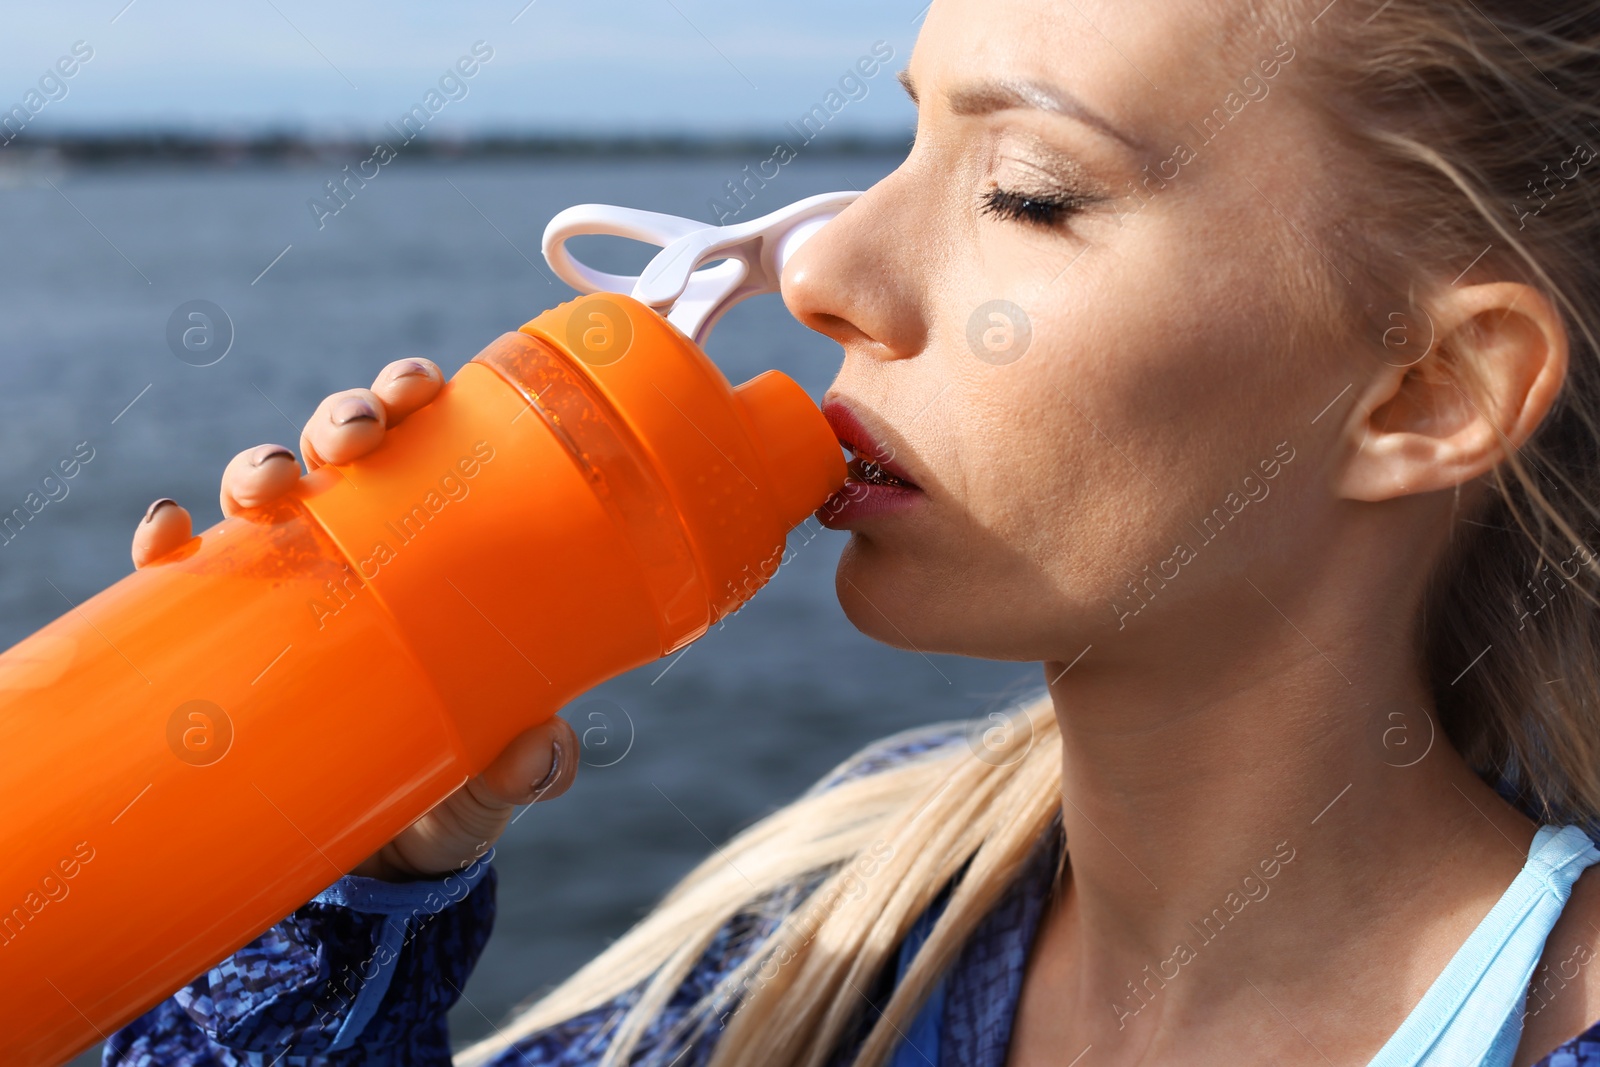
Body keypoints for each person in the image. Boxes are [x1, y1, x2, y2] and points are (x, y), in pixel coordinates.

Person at [103, 0, 1600, 1063]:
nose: (825, 263)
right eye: (909, 144)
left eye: (1028, 193)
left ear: (1425, 391)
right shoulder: (804, 955)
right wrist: (352, 875)